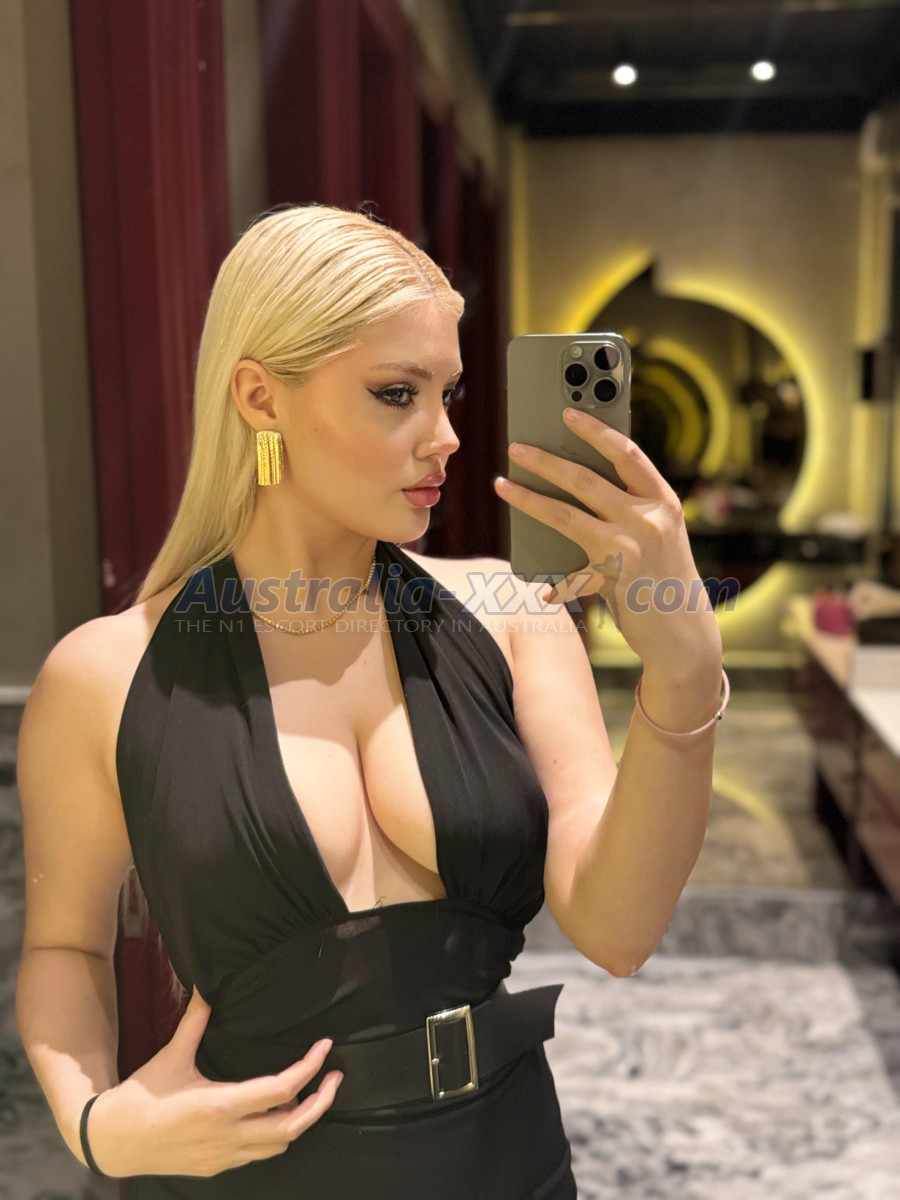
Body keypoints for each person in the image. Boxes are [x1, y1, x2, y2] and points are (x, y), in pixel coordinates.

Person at [15, 204, 727, 1199]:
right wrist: (95, 1126)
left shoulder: (510, 615)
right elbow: (64, 946)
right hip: (247, 1179)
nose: (445, 438)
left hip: (507, 1163)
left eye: (449, 394)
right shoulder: (106, 675)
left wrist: (685, 674)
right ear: (260, 397)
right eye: (397, 394)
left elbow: (618, 930)